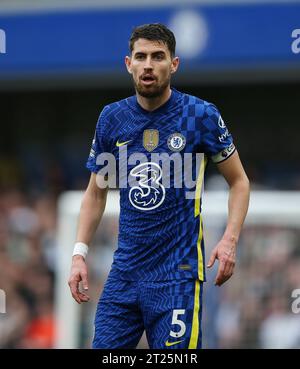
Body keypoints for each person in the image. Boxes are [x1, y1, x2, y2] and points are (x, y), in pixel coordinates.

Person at [68, 23, 250, 349]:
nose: (148, 65)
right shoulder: (112, 118)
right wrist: (79, 254)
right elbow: (96, 193)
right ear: (129, 64)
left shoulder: (200, 116)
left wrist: (230, 239)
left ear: (174, 64)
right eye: (141, 56)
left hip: (177, 277)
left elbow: (239, 182)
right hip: (124, 275)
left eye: (158, 56)